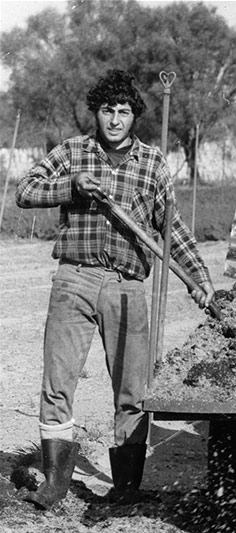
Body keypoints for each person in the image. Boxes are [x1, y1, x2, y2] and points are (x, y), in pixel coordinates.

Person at [16, 69, 216, 509]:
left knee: (132, 391)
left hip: (127, 288)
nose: (114, 120)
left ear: (134, 117)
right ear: (97, 112)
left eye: (123, 112)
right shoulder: (73, 152)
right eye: (107, 110)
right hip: (74, 279)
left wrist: (199, 278)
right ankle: (54, 484)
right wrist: (70, 186)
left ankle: (125, 488)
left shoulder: (153, 163)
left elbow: (172, 229)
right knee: (57, 383)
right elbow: (25, 191)